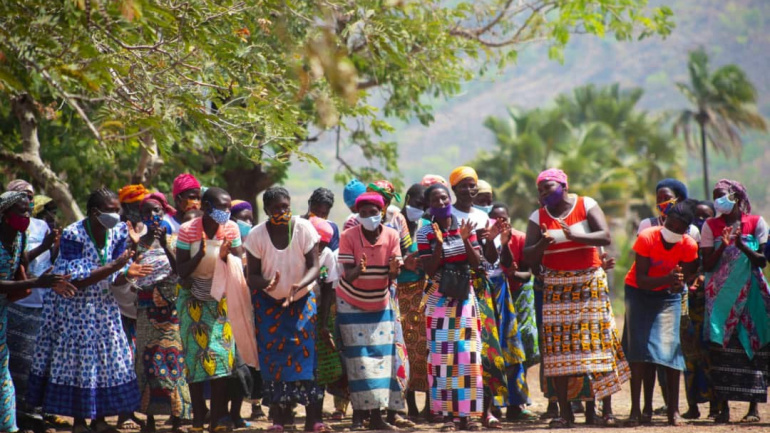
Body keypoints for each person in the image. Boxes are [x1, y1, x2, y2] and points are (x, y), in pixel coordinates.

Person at [27, 188, 151, 433]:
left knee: (106, 362)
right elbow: (77, 279)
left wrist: (126, 273)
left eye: (118, 210)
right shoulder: (74, 234)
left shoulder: (116, 232)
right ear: (95, 212)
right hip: (74, 308)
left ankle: (100, 420)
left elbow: (114, 278)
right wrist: (116, 265)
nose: (117, 214)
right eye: (111, 210)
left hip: (104, 306)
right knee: (79, 362)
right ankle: (80, 422)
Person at [523, 168, 629, 428]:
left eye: (548, 187)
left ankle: (600, 411)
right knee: (559, 351)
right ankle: (564, 413)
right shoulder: (538, 217)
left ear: (563, 185)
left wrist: (574, 235)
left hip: (588, 282)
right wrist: (542, 245)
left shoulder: (587, 204)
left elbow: (604, 236)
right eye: (540, 190)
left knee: (595, 347)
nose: (544, 193)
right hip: (557, 286)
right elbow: (528, 257)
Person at [244, 186, 327, 432]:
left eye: (285, 206)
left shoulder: (303, 228)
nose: (282, 211)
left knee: (306, 356)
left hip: (301, 301)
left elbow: (314, 266)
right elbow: (252, 276)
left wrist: (299, 285)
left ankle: (313, 420)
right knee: (274, 361)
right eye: (277, 208)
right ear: (267, 210)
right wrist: (267, 284)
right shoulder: (257, 235)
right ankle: (279, 419)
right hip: (269, 305)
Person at [622, 200, 700, 426]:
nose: (674, 231)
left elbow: (682, 281)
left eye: (679, 229)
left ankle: (673, 411)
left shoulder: (688, 246)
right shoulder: (647, 237)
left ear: (686, 231)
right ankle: (636, 411)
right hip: (638, 293)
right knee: (639, 350)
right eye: (671, 225)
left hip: (667, 297)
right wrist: (668, 279)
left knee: (670, 350)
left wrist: (676, 283)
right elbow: (641, 279)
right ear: (664, 220)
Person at [0, 190, 72, 433]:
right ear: (5, 214)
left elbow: (19, 265)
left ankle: (9, 426)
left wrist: (45, 248)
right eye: (21, 211)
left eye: (28, 210)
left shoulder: (18, 237)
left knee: (3, 372)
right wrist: (35, 283)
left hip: (3, 312)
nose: (27, 215)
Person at [700, 179, 769, 424]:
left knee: (753, 345)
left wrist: (741, 245)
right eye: (714, 196)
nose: (717, 200)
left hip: (751, 295)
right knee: (723, 349)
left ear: (736, 197)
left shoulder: (756, 223)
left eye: (721, 195)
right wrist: (724, 246)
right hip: (721, 298)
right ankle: (724, 409)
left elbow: (762, 260)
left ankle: (753, 409)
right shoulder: (710, 225)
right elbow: (706, 264)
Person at [417, 182, 484, 432]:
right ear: (429, 205)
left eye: (445, 198)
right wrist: (439, 244)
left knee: (468, 355)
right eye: (436, 200)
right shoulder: (424, 233)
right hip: (438, 299)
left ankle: (468, 416)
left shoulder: (464, 225)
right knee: (442, 359)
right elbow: (430, 270)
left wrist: (465, 240)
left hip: (464, 298)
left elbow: (477, 264)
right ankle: (447, 416)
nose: (442, 203)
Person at [335, 192, 405, 431]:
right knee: (358, 360)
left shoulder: (392, 235)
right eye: (363, 213)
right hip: (351, 303)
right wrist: (359, 269)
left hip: (380, 303)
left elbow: (393, 274)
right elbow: (348, 275)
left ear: (381, 212)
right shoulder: (348, 236)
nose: (368, 217)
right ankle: (359, 415)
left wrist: (395, 270)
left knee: (382, 360)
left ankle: (377, 416)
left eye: (372, 213)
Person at [175, 187, 243, 432]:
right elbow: (181, 270)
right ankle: (197, 418)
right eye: (220, 207)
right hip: (191, 295)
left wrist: (225, 257)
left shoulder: (232, 228)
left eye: (228, 208)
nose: (225, 212)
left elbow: (238, 262)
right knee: (195, 357)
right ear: (205, 207)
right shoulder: (187, 230)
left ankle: (217, 420)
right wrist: (201, 254)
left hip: (220, 297)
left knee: (222, 358)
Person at [448, 167, 508, 427]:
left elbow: (490, 261)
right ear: (454, 189)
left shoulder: (483, 217)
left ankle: (487, 410)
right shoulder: (445, 215)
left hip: (481, 289)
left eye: (472, 185)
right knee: (457, 351)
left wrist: (492, 240)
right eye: (463, 185)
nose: (469, 190)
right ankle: (456, 412)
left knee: (486, 350)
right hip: (453, 289)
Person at [132, 193, 191, 433]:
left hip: (171, 312)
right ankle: (149, 419)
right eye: (147, 212)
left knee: (173, 360)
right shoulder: (136, 244)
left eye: (157, 211)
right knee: (147, 363)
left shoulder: (175, 241)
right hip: (146, 311)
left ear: (164, 212)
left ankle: (178, 417)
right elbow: (131, 274)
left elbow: (181, 272)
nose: (153, 216)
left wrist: (166, 245)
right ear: (141, 216)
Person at [495, 203, 539, 422]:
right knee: (494, 353)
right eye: (495, 219)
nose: (501, 223)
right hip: (493, 300)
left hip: (518, 298)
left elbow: (527, 274)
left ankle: (516, 404)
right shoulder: (484, 240)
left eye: (504, 219)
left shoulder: (520, 239)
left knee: (518, 349)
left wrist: (512, 275)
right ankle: (494, 405)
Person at [397, 184, 431, 420]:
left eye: (424, 206)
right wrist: (402, 263)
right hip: (399, 293)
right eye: (418, 204)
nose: (421, 209)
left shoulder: (428, 226)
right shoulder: (393, 224)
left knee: (427, 348)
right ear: (408, 199)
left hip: (424, 293)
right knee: (405, 349)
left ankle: (430, 405)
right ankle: (410, 406)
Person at [681, 200, 717, 420]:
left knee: (710, 358)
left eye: (706, 216)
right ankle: (692, 405)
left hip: (710, 307)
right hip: (690, 306)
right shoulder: (689, 243)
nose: (702, 221)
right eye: (698, 217)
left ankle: (715, 407)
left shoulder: (714, 243)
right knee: (689, 359)